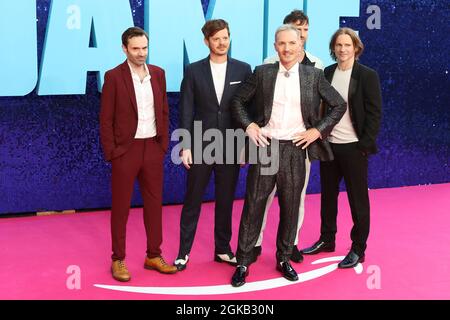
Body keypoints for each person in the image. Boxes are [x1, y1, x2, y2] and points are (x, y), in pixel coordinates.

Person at [230, 24, 346, 287]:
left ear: (300, 46)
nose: (286, 49)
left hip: (296, 148)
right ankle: (243, 262)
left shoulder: (313, 75)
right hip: (266, 147)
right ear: (275, 47)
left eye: (291, 44)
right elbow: (237, 102)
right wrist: (250, 126)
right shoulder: (262, 73)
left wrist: (318, 131)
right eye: (281, 44)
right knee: (254, 205)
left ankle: (284, 258)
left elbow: (339, 104)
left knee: (291, 207)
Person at [99, 26, 177, 282]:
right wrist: (113, 152)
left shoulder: (158, 74)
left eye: (144, 48)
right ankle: (118, 259)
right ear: (124, 49)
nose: (141, 53)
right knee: (121, 208)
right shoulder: (113, 77)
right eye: (136, 49)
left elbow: (163, 110)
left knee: (154, 205)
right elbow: (105, 119)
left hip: (152, 148)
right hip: (126, 150)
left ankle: (154, 254)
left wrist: (162, 144)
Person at [174, 19, 252, 271]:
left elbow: (248, 110)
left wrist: (244, 146)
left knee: (226, 200)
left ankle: (223, 249)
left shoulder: (243, 69)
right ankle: (183, 252)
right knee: (192, 200)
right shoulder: (194, 70)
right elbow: (186, 109)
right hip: (200, 145)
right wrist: (185, 145)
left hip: (231, 144)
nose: (222, 43)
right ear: (206, 41)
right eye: (216, 38)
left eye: (225, 37)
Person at [301, 27, 382, 269]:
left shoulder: (367, 75)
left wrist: (364, 146)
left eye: (347, 45)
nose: (343, 49)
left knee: (358, 201)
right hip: (329, 147)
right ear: (333, 49)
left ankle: (358, 248)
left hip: (354, 148)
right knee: (328, 197)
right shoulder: (327, 73)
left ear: (356, 48)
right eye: (338, 45)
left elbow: (375, 114)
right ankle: (327, 239)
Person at [254, 9, 324, 264]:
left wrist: (315, 132)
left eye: (305, 29)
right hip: (271, 142)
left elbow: (323, 105)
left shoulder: (317, 65)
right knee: (263, 196)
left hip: (300, 143)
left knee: (298, 195)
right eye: (296, 29)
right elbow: (257, 102)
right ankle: (255, 243)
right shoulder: (268, 62)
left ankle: (291, 242)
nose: (301, 33)